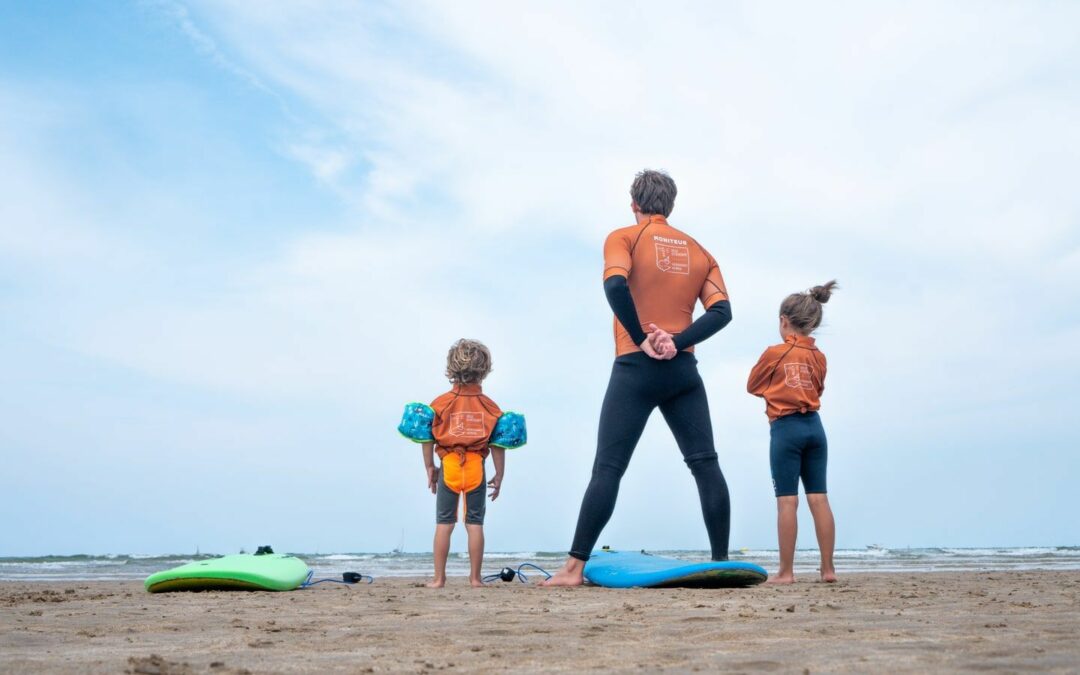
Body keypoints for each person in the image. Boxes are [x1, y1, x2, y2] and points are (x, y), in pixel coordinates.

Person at [543, 169, 734, 587]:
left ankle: (573, 569)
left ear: (634, 204)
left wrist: (641, 338)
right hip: (683, 371)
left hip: (635, 366)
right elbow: (722, 312)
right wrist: (679, 341)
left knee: (608, 468)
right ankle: (721, 561)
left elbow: (615, 286)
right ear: (671, 205)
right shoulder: (701, 251)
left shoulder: (624, 237)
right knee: (705, 463)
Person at [398, 339, 511, 588]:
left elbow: (425, 437)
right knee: (475, 524)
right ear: (484, 370)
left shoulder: (440, 404)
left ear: (451, 369)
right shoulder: (490, 406)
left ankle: (439, 579)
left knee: (444, 524)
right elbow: (498, 445)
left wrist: (429, 467)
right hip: (475, 468)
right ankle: (475, 578)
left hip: (449, 465)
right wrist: (499, 474)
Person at [746, 282, 839, 584]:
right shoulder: (819, 356)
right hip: (815, 426)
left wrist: (779, 390)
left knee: (788, 501)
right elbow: (819, 387)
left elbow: (753, 385)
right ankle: (828, 570)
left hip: (786, 428)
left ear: (784, 321)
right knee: (819, 498)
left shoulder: (774, 353)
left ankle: (786, 572)